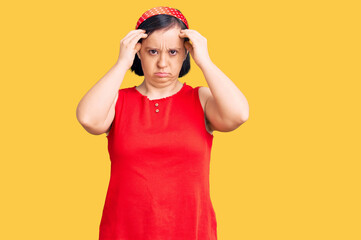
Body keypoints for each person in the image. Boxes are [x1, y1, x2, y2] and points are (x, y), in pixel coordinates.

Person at [76, 6, 249, 240]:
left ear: (187, 53)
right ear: (138, 52)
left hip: (191, 232)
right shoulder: (117, 101)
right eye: (153, 52)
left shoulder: (202, 99)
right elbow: (88, 119)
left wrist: (205, 61)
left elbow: (238, 115)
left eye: (174, 52)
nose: (163, 64)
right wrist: (121, 63)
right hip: (125, 232)